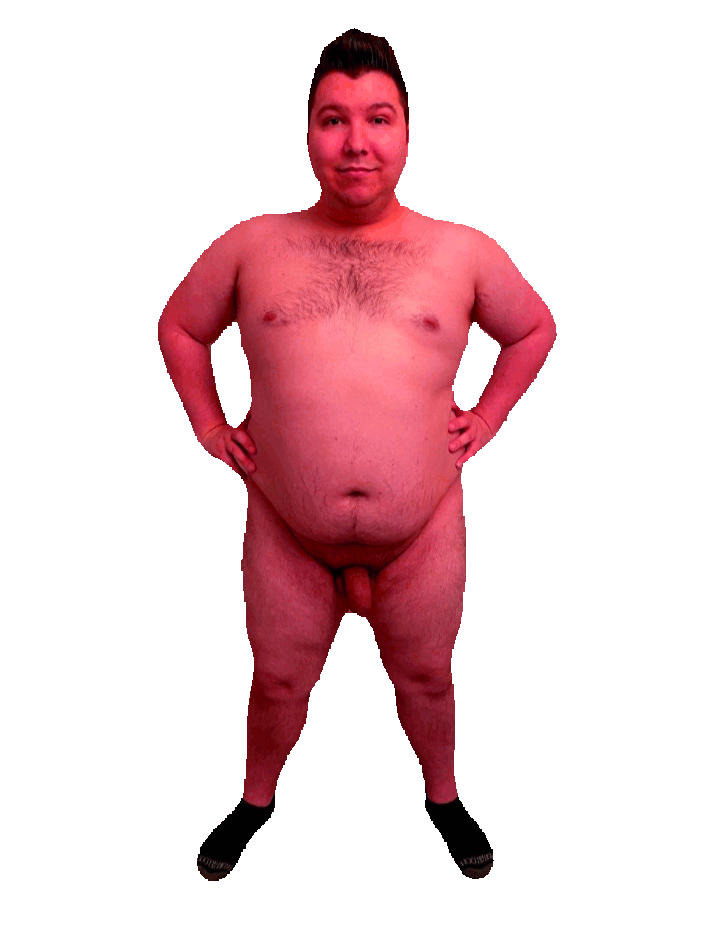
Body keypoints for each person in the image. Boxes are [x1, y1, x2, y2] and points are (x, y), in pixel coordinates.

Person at [159, 30, 556, 881]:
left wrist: (489, 416)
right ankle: (253, 803)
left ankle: (444, 800)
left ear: (407, 132)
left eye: (378, 118)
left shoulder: (463, 249)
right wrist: (207, 425)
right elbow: (181, 327)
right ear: (308, 133)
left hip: (422, 529)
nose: (355, 142)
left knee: (429, 680)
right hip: (286, 527)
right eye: (332, 119)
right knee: (276, 683)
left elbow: (533, 328)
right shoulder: (252, 242)